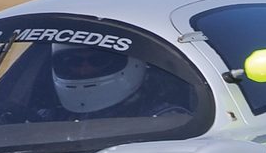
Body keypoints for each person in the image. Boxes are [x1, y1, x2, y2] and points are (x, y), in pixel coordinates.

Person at [50, 43, 191, 118]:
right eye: (74, 61)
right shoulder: (52, 116)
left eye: (98, 60)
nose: (85, 70)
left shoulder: (166, 119)